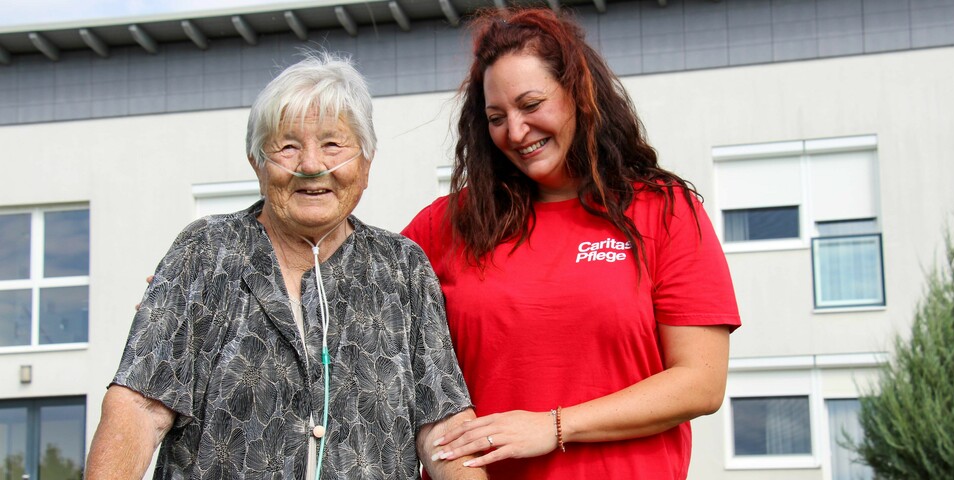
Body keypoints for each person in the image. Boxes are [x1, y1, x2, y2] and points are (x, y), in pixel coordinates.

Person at [86, 51, 486, 480]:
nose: (312, 165)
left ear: (366, 164)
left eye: (334, 144)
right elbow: (140, 407)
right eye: (287, 146)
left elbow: (444, 428)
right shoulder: (205, 253)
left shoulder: (402, 269)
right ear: (257, 163)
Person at [403, 8, 740, 479]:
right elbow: (375, 347)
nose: (515, 132)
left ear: (579, 95)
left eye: (531, 104)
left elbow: (700, 382)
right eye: (496, 117)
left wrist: (555, 426)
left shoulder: (665, 212)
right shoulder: (446, 225)